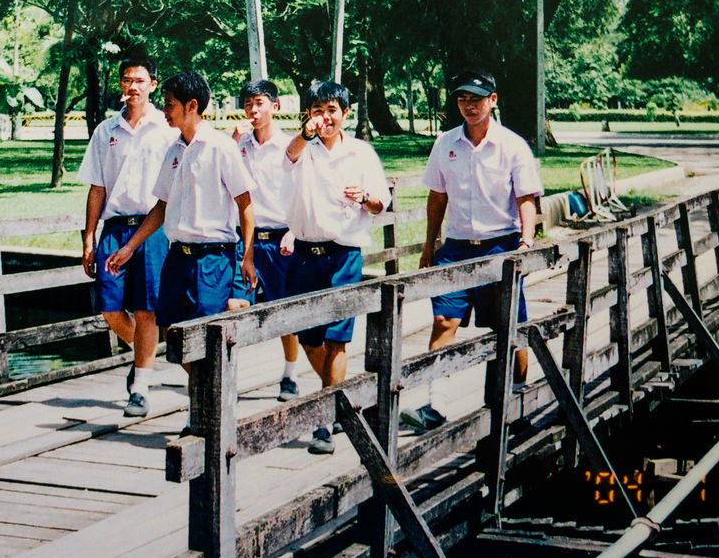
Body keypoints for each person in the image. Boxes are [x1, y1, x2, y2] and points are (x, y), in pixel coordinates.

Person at [105, 71, 257, 417]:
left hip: (213, 259)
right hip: (178, 258)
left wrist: (246, 258)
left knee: (204, 338)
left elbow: (246, 205)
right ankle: (210, 397)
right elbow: (161, 206)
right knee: (174, 334)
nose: (165, 111)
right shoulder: (174, 149)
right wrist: (130, 247)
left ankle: (204, 413)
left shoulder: (220, 147)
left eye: (170, 105)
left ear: (191, 106)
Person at [401, 69, 543, 433]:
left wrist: (525, 242)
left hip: (501, 246)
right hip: (456, 248)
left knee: (509, 327)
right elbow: (437, 197)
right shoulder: (446, 144)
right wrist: (430, 244)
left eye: (476, 99)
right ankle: (436, 405)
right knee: (443, 321)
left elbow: (526, 198)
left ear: (493, 101)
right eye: (462, 99)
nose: (469, 106)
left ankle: (516, 401)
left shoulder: (512, 146)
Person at [284, 81, 389, 454]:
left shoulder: (361, 154)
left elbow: (382, 204)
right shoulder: (302, 149)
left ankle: (324, 422)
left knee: (337, 338)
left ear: (345, 113)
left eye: (332, 110)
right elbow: (291, 153)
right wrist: (303, 133)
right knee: (308, 337)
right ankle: (338, 400)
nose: (324, 117)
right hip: (305, 255)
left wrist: (366, 198)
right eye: (317, 110)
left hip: (344, 254)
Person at [79, 57, 177, 418]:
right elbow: (97, 187)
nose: (131, 87)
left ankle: (140, 388)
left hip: (152, 227)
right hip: (115, 226)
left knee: (146, 310)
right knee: (108, 307)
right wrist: (89, 238)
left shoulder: (167, 130)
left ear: (153, 84)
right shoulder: (107, 131)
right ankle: (144, 356)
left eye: (139, 80)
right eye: (125, 80)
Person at [231, 80, 301, 402]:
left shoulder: (290, 148)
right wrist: (232, 142)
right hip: (243, 239)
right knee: (233, 305)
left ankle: (290, 373)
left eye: (259, 103)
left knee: (282, 310)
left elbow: (301, 193)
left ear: (275, 106)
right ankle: (227, 376)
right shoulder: (239, 145)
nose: (253, 110)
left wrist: (293, 229)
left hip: (278, 240)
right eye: (248, 104)